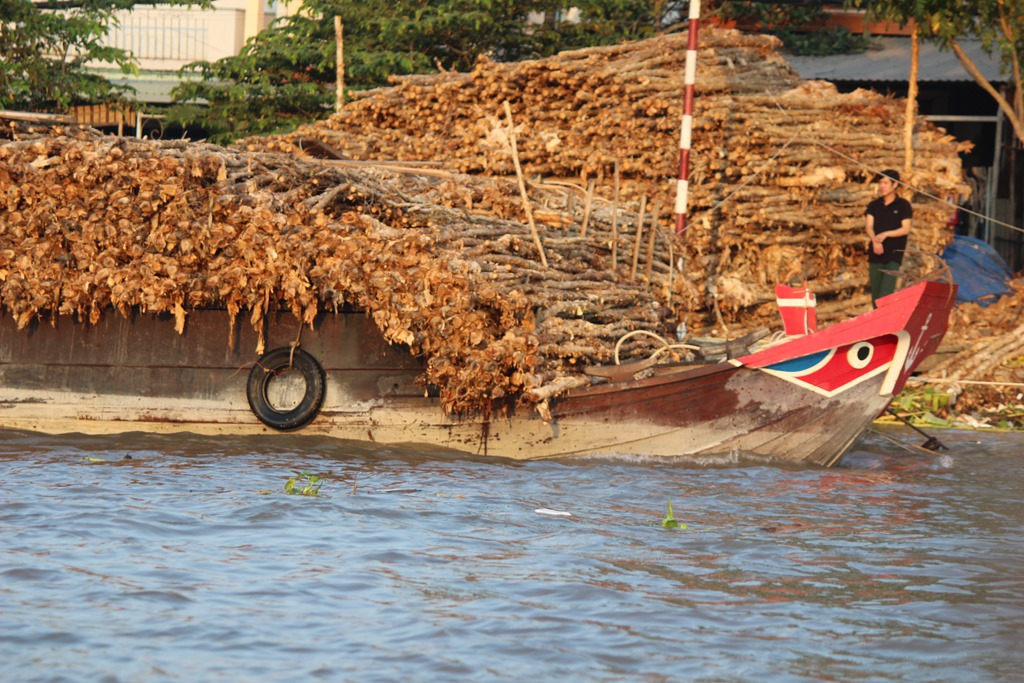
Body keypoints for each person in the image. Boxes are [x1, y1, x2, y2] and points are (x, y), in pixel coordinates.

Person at [864, 169, 912, 306]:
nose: (882, 186)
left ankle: (884, 318)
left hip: (893, 255)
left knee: (885, 294)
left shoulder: (903, 205)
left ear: (894, 185)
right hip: (876, 254)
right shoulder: (874, 205)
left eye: (885, 183)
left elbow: (905, 229)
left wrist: (885, 234)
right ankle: (877, 318)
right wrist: (875, 240)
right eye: (880, 183)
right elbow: (869, 226)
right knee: (875, 295)